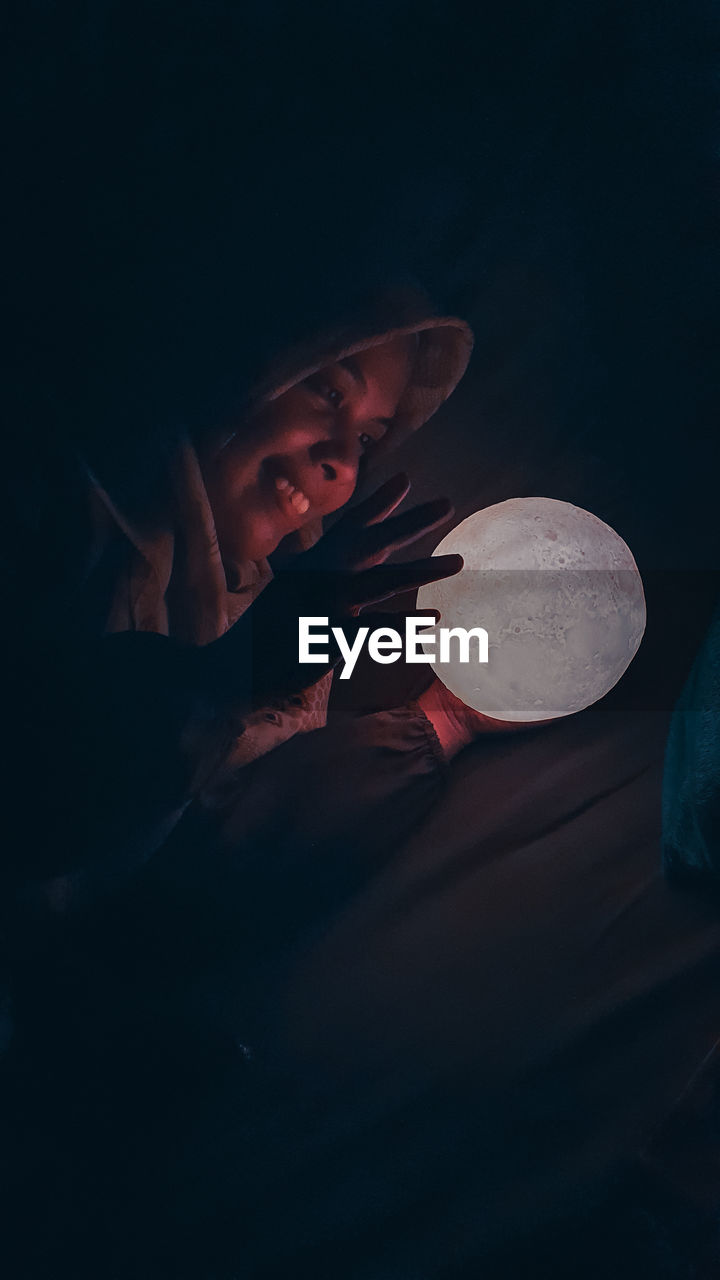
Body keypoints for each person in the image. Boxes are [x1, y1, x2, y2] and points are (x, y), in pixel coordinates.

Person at [2, 283, 524, 1275]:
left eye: (368, 440)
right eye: (326, 392)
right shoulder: (57, 507)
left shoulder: (223, 608)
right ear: (234, 352)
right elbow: (46, 767)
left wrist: (409, 719)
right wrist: (225, 682)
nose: (340, 460)